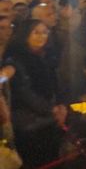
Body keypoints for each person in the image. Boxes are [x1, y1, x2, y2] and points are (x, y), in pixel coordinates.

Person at [4, 19, 67, 167]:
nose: (41, 36)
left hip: (49, 121)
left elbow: (56, 83)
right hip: (30, 125)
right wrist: (52, 110)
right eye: (36, 32)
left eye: (45, 32)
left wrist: (61, 105)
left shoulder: (47, 56)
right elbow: (24, 91)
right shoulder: (16, 59)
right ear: (25, 34)